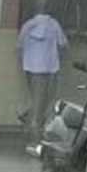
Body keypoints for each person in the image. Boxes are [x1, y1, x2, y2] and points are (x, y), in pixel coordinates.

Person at [17, 11, 68, 141]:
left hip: (30, 67)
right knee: (47, 99)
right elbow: (63, 45)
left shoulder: (27, 25)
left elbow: (19, 46)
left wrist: (28, 58)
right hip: (49, 67)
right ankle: (35, 131)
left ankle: (29, 119)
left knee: (37, 98)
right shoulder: (53, 24)